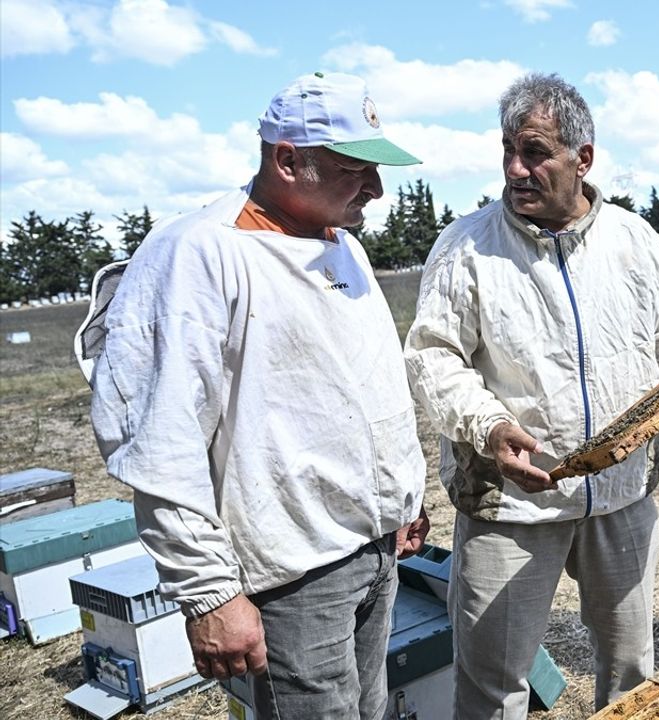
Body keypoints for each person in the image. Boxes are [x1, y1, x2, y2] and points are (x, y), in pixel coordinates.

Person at [403, 72, 659, 719]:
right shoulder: (466, 246)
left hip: (620, 495)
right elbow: (433, 358)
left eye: (534, 152)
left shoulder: (631, 239)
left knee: (632, 671)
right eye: (508, 150)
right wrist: (492, 428)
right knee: (494, 683)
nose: (515, 168)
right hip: (511, 507)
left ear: (583, 159)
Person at [89, 72, 431, 720]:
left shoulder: (343, 245)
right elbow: (162, 439)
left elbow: (365, 388)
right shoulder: (199, 254)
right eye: (356, 168)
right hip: (294, 579)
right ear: (287, 159)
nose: (378, 188)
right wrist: (209, 593)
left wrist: (402, 498)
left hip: (375, 551)